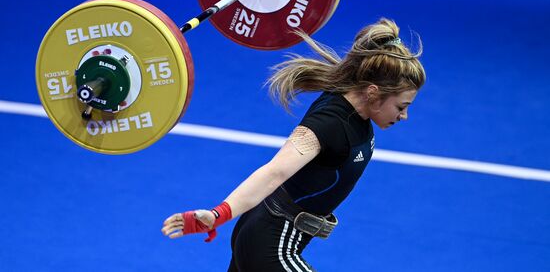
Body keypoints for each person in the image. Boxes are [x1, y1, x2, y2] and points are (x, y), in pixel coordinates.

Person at [161, 18, 426, 271]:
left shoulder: (356, 111)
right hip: (270, 243)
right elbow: (274, 172)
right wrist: (218, 215)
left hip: (268, 234)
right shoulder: (330, 123)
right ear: (372, 92)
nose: (404, 116)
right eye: (401, 107)